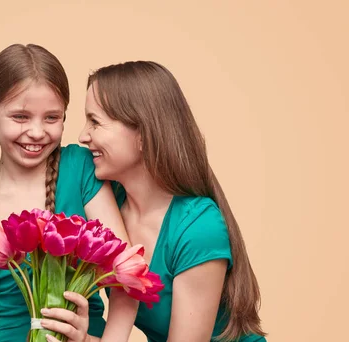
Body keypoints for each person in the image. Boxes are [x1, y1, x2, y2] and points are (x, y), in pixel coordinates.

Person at [0, 44, 136, 342]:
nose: (36, 132)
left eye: (51, 117)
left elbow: (125, 272)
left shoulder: (81, 168)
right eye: (20, 117)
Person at [73, 61, 268, 341]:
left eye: (96, 122)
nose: (83, 136)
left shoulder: (198, 226)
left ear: (142, 134)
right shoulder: (107, 206)